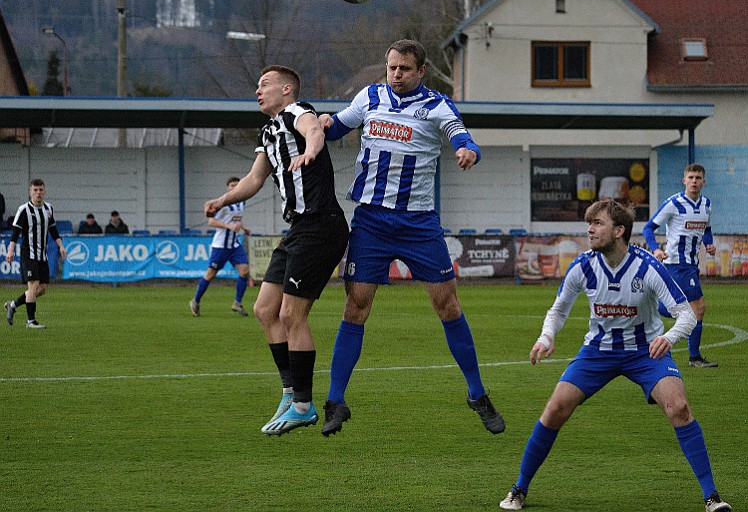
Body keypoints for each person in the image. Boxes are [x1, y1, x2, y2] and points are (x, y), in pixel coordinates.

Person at [318, 39, 504, 437]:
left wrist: (468, 150)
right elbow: (338, 126)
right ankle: (336, 400)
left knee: (447, 304)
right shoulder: (369, 97)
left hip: (419, 223)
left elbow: (461, 135)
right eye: (391, 68)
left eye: (404, 68)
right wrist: (322, 123)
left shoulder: (437, 105)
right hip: (370, 219)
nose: (396, 74)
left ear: (421, 71)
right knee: (356, 305)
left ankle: (476, 393)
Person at [498, 200, 731, 512]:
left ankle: (712, 499)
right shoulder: (582, 265)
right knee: (555, 409)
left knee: (679, 407)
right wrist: (546, 336)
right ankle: (519, 489)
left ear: (619, 231)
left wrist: (668, 336)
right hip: (598, 351)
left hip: (645, 350)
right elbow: (559, 310)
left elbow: (686, 314)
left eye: (598, 223)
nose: (590, 229)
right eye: (589, 223)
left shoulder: (648, 267)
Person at [204, 65, 349, 436]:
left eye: (264, 84)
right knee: (264, 309)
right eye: (256, 85)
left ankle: (303, 405)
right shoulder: (269, 132)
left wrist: (311, 153)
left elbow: (314, 131)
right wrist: (222, 200)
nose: (258, 90)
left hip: (321, 224)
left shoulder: (297, 112)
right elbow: (254, 179)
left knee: (291, 315)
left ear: (287, 89)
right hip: (299, 228)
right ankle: (290, 394)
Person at [643, 163, 717, 368]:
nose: (694, 181)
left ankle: (654, 307)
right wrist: (655, 249)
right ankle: (694, 358)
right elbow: (649, 228)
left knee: (691, 309)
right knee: (698, 308)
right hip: (676, 263)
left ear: (704, 181)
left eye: (698, 177)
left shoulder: (706, 205)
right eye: (691, 177)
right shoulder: (673, 203)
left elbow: (707, 229)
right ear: (684, 180)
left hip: (692, 264)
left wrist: (708, 243)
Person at [4, 179, 68, 329]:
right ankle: (30, 321)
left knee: (42, 288)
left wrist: (61, 246)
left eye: (40, 190)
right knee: (33, 287)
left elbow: (53, 230)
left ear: (44, 191)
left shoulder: (48, 209)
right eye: (35, 190)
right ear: (30, 192)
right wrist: (10, 250)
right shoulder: (24, 210)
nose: (38, 193)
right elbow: (15, 233)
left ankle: (13, 305)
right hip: (29, 254)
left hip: (42, 255)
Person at [190, 177, 252, 318]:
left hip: (235, 245)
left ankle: (237, 303)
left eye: (237, 185)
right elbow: (211, 221)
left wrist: (244, 227)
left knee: (244, 271)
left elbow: (236, 218)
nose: (235, 187)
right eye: (232, 185)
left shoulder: (242, 202)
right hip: (221, 246)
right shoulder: (223, 204)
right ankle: (196, 301)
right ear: (227, 188)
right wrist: (229, 226)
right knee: (211, 274)